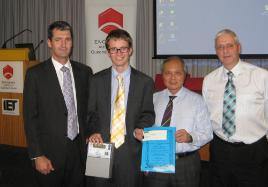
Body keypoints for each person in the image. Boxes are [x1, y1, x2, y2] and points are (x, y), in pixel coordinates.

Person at [23, 21, 93, 187]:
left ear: (72, 42)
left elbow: (90, 111)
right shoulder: (35, 75)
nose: (63, 44)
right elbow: (29, 118)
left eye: (67, 39)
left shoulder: (85, 72)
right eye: (58, 39)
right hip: (48, 154)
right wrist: (37, 155)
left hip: (79, 150)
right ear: (49, 42)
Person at [87, 29, 155, 187]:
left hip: (130, 148)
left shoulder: (145, 82)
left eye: (123, 48)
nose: (118, 53)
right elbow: (90, 112)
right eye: (113, 49)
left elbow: (148, 113)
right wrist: (94, 130)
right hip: (100, 145)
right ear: (108, 52)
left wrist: (141, 127)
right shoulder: (95, 80)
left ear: (130, 50)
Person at [202, 29, 268, 187]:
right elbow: (207, 114)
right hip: (220, 151)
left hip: (253, 153)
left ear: (239, 47)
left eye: (229, 45)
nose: (225, 51)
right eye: (220, 47)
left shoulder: (261, 76)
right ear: (216, 51)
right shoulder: (209, 80)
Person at [143, 56, 212, 187]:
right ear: (162, 75)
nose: (172, 78)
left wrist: (190, 137)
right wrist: (147, 160)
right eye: (168, 73)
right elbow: (146, 130)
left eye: (177, 73)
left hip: (185, 164)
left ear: (185, 75)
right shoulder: (153, 99)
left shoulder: (197, 101)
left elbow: (207, 133)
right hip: (157, 161)